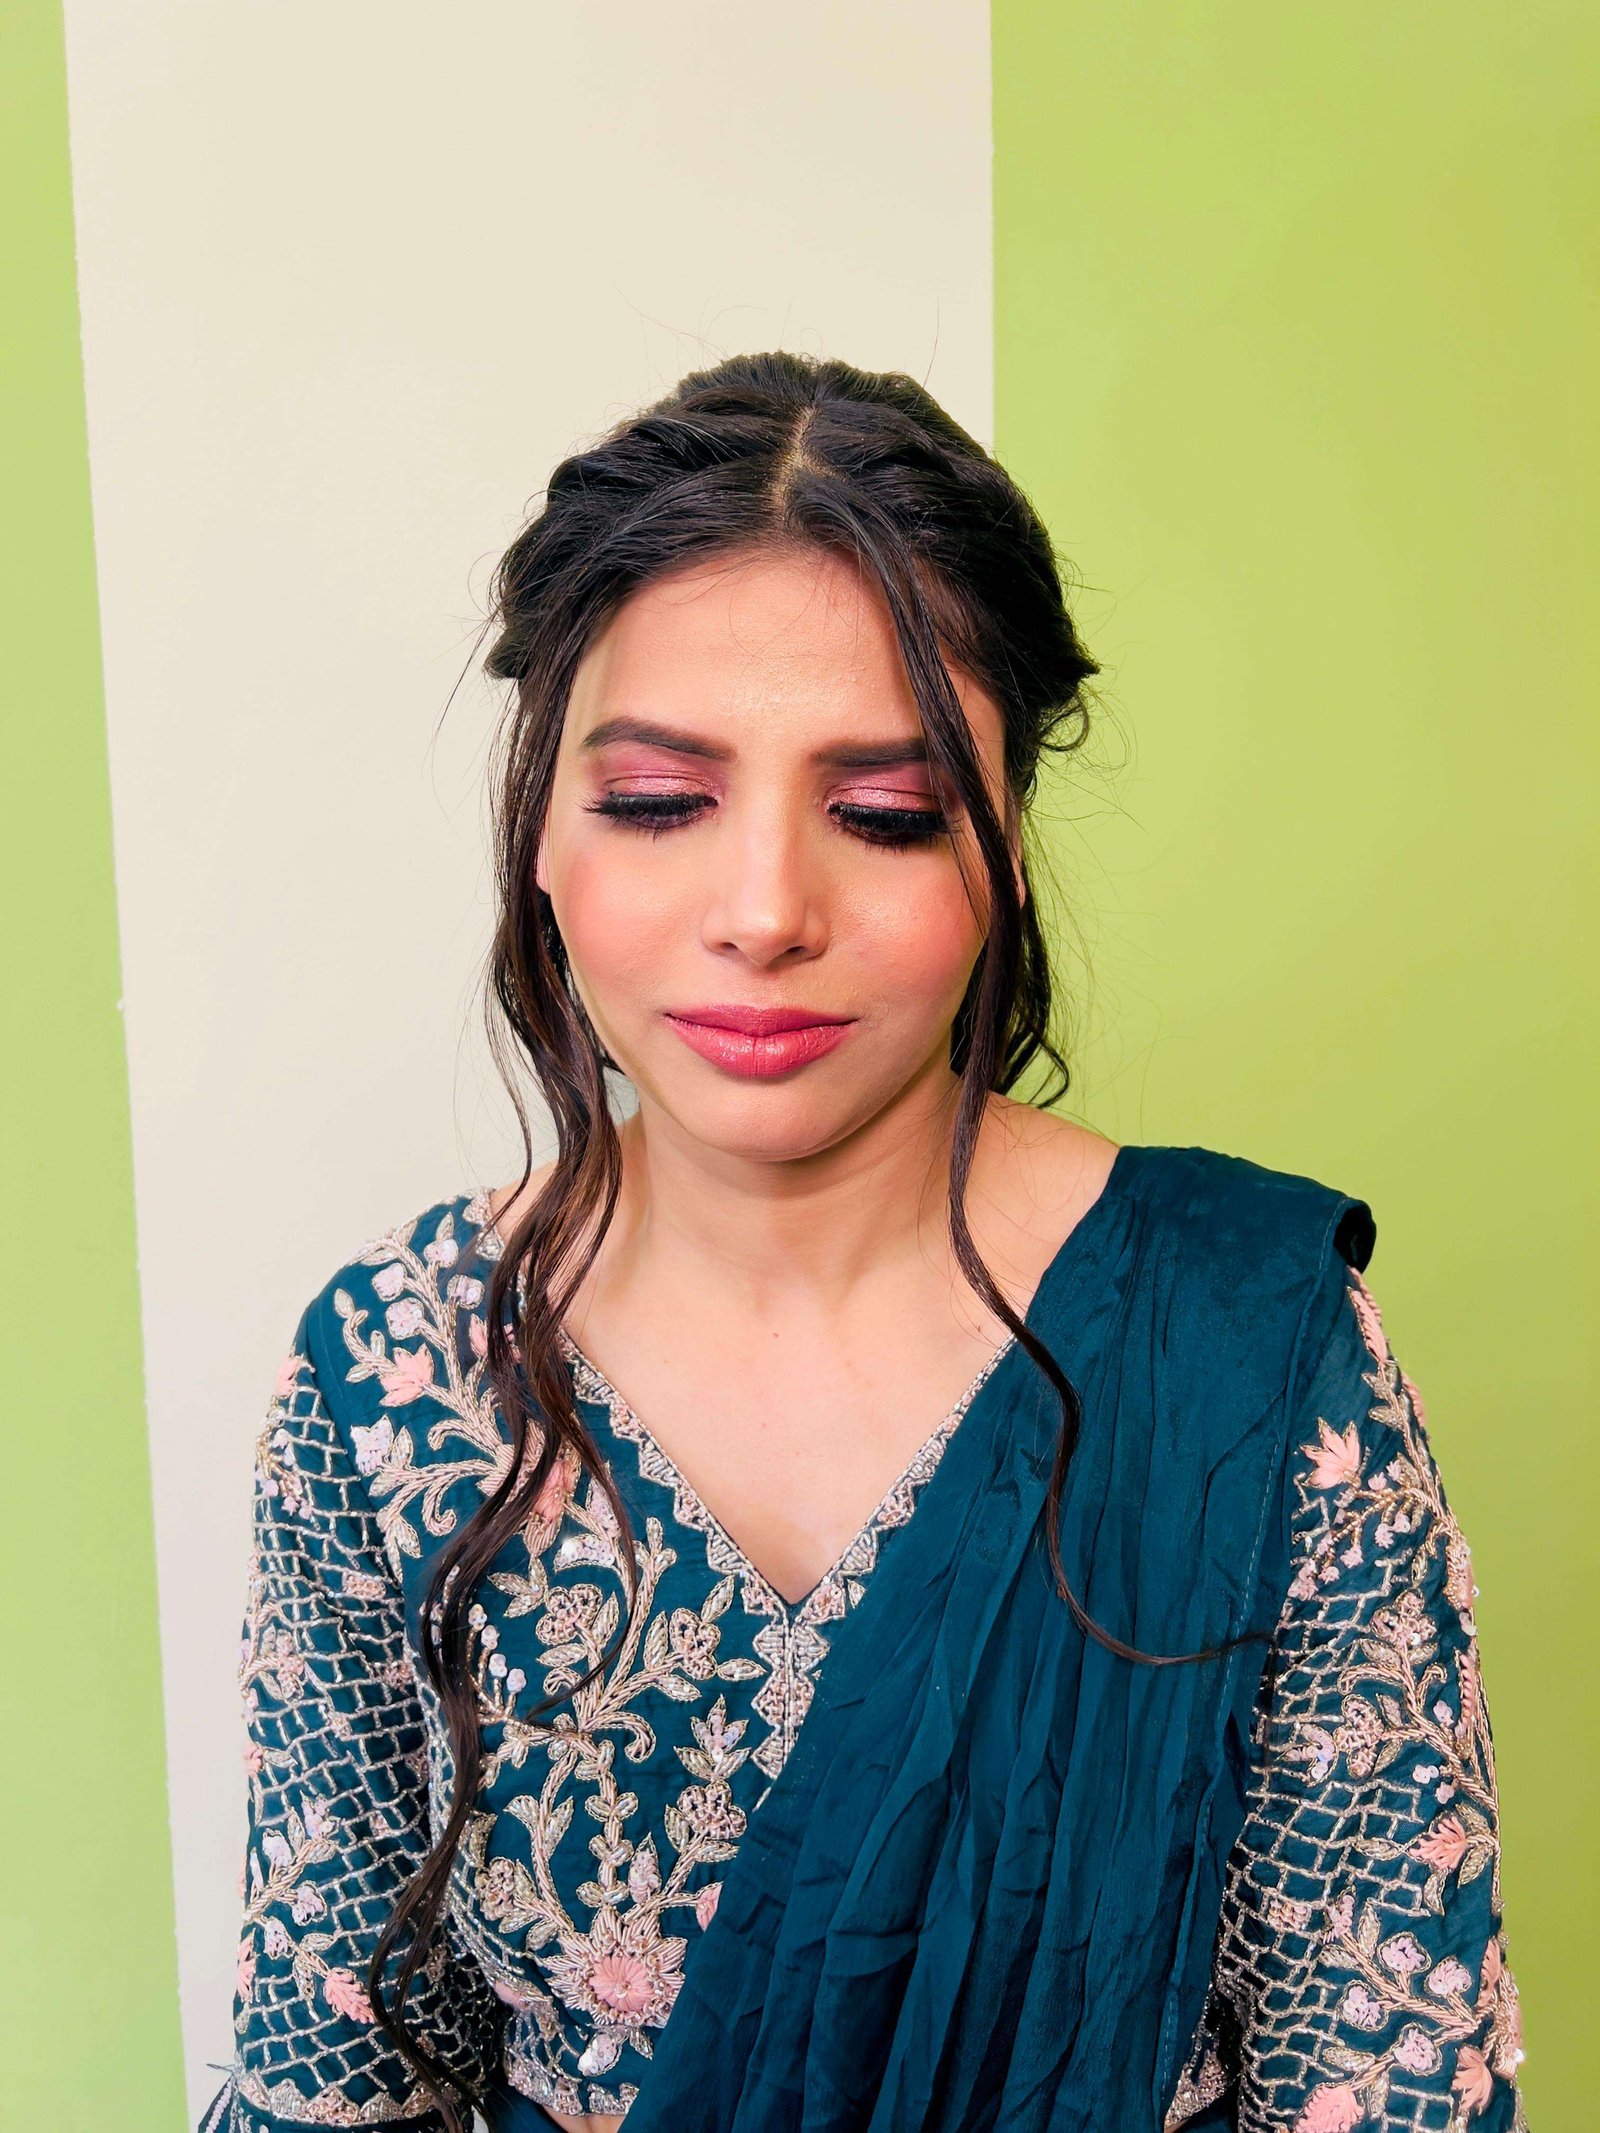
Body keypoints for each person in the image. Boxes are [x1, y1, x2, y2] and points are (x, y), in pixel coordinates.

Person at [199, 353, 1526, 2133]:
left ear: (1007, 850)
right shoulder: (396, 1375)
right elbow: (336, 2079)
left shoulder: (1247, 1356)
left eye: (886, 815)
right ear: (543, 835)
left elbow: (1388, 2077)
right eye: (658, 801)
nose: (765, 912)